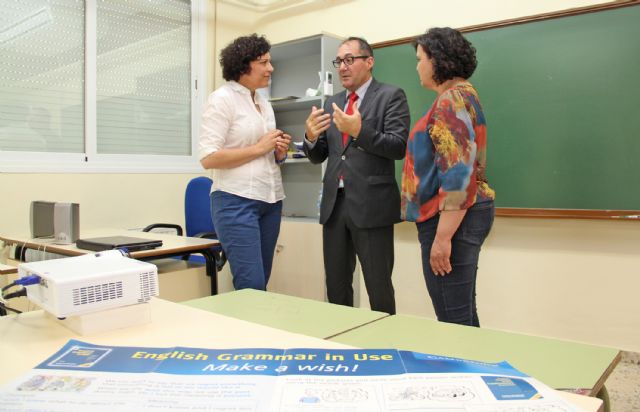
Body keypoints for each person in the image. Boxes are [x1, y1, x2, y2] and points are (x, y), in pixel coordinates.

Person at [303, 37, 410, 314]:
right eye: (339, 61)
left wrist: (359, 131)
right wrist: (310, 137)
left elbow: (398, 147)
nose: (342, 67)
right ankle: (344, 348)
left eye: (349, 60)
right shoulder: (333, 102)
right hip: (334, 206)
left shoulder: (390, 95)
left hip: (372, 206)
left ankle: (385, 349)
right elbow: (320, 155)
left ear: (369, 61)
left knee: (379, 287)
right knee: (336, 286)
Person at [401, 27, 496, 327]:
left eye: (420, 59)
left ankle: (464, 372)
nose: (417, 66)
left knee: (453, 322)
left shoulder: (449, 102)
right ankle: (477, 370)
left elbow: (457, 175)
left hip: (451, 220)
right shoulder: (464, 95)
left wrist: (442, 238)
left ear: (438, 60)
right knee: (463, 315)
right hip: (463, 215)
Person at [198, 34, 291, 291]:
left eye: (270, 62)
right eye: (264, 62)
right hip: (235, 201)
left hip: (270, 200)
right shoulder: (222, 99)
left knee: (262, 281)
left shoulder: (262, 103)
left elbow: (264, 155)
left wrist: (278, 152)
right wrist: (259, 147)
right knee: (251, 284)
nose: (270, 68)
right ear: (243, 65)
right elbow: (209, 157)